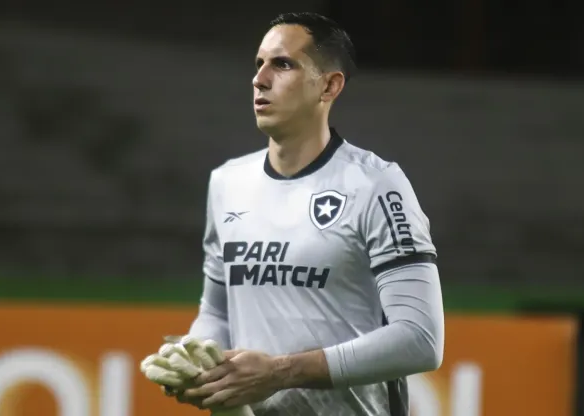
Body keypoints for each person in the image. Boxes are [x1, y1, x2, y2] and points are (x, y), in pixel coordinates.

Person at [167, 11, 444, 416]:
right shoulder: (227, 183)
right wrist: (197, 360)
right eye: (258, 64)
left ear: (329, 85)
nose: (259, 79)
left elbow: (421, 339)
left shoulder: (377, 186)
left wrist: (281, 371)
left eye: (282, 64)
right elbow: (216, 312)